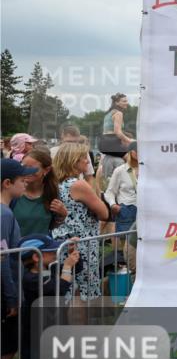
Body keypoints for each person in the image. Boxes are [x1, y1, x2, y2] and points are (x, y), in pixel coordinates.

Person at [17, 234, 79, 359]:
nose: (56, 254)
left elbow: (78, 268)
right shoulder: (29, 279)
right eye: (52, 251)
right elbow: (58, 288)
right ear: (36, 257)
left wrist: (72, 256)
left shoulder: (50, 269)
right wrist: (67, 266)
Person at [52, 142, 109, 302]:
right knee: (84, 294)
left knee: (67, 291)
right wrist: (91, 180)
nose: (87, 161)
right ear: (73, 161)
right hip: (81, 245)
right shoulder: (78, 184)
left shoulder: (55, 184)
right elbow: (104, 213)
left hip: (62, 243)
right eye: (83, 157)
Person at [1, 157, 38, 359]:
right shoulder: (4, 215)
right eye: (22, 180)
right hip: (6, 294)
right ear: (7, 183)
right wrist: (12, 298)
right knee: (6, 348)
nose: (26, 183)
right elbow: (3, 259)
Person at [13, 149, 68, 236]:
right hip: (15, 248)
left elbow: (50, 226)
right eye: (24, 166)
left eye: (32, 168)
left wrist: (62, 215)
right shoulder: (13, 193)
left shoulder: (52, 192)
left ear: (46, 170)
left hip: (42, 247)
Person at [104, 143, 139, 273]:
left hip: (144, 211)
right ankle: (131, 277)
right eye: (137, 150)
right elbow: (109, 191)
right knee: (129, 250)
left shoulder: (148, 170)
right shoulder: (121, 170)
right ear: (131, 152)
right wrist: (113, 205)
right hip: (127, 210)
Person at [99, 93, 132, 181]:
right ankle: (130, 180)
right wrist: (130, 141)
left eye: (126, 101)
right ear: (117, 103)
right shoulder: (118, 113)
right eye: (124, 101)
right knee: (133, 160)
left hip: (103, 143)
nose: (126, 103)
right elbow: (118, 132)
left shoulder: (108, 114)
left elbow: (110, 131)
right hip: (112, 143)